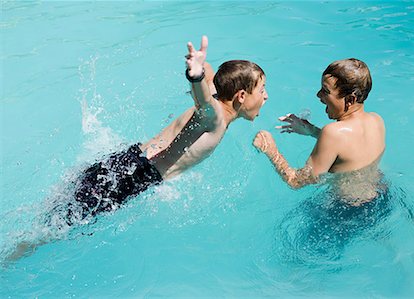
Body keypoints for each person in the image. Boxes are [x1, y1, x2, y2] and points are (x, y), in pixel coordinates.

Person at [7, 36, 268, 261]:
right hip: (134, 177)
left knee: (49, 212)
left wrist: (203, 67)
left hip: (126, 159)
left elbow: (210, 81)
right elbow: (202, 100)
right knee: (45, 235)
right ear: (241, 96)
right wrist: (195, 74)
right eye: (262, 90)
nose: (265, 96)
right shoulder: (216, 118)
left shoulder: (216, 92)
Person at [253, 58, 385, 206]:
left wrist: (271, 151)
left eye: (325, 91)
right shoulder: (376, 120)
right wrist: (312, 131)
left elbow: (296, 181)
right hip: (381, 194)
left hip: (348, 210)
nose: (318, 95)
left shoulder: (332, 133)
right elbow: (349, 148)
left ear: (350, 99)